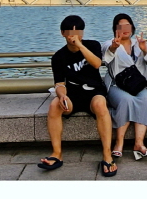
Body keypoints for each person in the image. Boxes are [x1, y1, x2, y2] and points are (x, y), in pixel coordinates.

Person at [38, 15, 117, 177]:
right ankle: (56, 153)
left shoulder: (92, 45)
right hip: (72, 94)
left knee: (100, 104)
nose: (73, 36)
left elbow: (96, 64)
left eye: (78, 32)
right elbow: (59, 83)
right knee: (54, 105)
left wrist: (80, 45)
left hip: (94, 92)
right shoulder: (58, 57)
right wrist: (61, 96)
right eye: (69, 32)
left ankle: (107, 155)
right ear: (62, 33)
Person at [102, 13, 147, 160]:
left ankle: (139, 143)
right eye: (120, 26)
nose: (125, 29)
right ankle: (119, 143)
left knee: (146, 99)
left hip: (137, 85)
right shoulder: (109, 43)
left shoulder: (138, 43)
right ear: (115, 29)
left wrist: (145, 49)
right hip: (117, 86)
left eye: (127, 25)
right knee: (126, 100)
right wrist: (113, 47)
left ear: (132, 27)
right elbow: (106, 58)